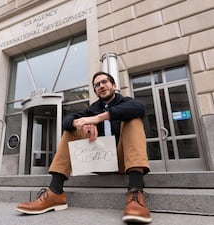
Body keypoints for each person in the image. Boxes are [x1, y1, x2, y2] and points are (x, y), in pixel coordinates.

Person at [16, 71, 152, 224]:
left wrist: (98, 118)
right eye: (97, 85)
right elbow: (67, 120)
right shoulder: (92, 108)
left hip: (123, 162)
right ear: (95, 91)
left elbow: (139, 107)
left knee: (133, 120)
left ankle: (135, 192)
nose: (101, 86)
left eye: (104, 82)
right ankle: (55, 192)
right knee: (73, 128)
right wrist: (80, 123)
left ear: (114, 85)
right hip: (99, 161)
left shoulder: (126, 102)